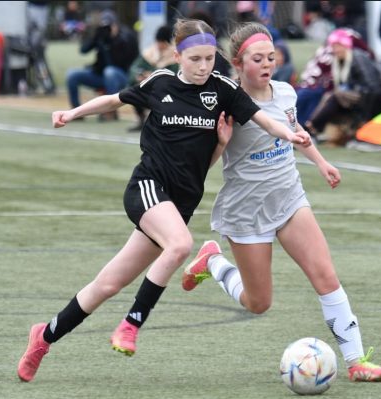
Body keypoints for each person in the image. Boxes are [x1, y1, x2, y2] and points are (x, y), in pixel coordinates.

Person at [17, 18, 312, 382]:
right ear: (177, 56)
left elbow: (265, 121)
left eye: (209, 59)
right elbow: (114, 99)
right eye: (195, 60)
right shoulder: (159, 83)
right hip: (148, 188)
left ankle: (42, 338)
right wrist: (71, 113)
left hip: (179, 203)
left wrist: (286, 136)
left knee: (107, 284)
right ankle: (130, 324)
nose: (204, 67)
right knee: (180, 245)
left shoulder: (222, 91)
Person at [180, 21, 381, 383]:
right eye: (257, 59)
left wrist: (323, 163)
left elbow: (298, 133)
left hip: (290, 198)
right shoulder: (227, 104)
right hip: (246, 210)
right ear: (237, 62)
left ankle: (357, 361)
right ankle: (212, 261)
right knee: (258, 303)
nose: (266, 65)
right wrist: (219, 140)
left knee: (325, 275)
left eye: (271, 58)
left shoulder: (286, 94)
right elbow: (203, 164)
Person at [65, 9, 138, 121]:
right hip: (100, 76)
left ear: (115, 24)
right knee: (72, 75)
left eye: (109, 26)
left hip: (121, 76)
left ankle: (109, 111)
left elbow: (117, 63)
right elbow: (83, 50)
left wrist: (109, 44)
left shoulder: (126, 37)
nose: (107, 29)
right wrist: (96, 37)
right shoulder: (101, 36)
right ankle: (76, 113)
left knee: (110, 71)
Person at [126, 25, 177, 132]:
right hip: (147, 87)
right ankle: (141, 120)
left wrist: (153, 76)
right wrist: (139, 75)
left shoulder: (174, 55)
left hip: (164, 91)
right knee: (132, 88)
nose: (159, 45)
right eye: (158, 41)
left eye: (162, 42)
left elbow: (173, 75)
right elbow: (134, 68)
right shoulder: (150, 52)